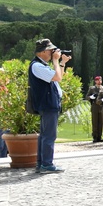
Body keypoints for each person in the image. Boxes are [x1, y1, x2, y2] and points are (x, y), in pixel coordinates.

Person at [29, 39, 68, 173]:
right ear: (44, 51)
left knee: (45, 134)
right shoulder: (37, 66)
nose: (53, 53)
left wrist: (62, 63)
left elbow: (58, 76)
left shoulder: (42, 65)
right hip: (47, 104)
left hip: (49, 103)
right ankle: (46, 163)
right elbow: (57, 77)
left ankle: (42, 163)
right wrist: (56, 61)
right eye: (51, 51)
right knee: (49, 135)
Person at [85, 74, 103, 143]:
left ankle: (100, 136)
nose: (99, 81)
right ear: (95, 81)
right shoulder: (92, 88)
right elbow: (87, 97)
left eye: (100, 80)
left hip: (102, 107)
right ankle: (95, 136)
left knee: (101, 123)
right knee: (95, 122)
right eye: (97, 80)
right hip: (95, 107)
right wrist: (91, 97)